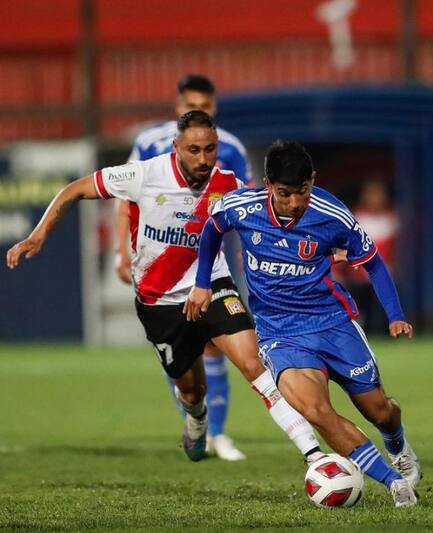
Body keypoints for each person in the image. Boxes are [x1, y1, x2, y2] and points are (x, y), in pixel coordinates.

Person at [7, 111, 322, 466]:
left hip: (211, 285)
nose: (203, 159)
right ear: (176, 147)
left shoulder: (228, 184)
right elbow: (74, 189)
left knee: (254, 364)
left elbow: (271, 218)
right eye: (194, 150)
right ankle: (198, 416)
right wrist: (38, 235)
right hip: (159, 302)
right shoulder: (144, 175)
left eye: (210, 150)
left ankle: (313, 454)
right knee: (191, 389)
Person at [184, 140, 421, 507]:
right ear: (267, 184)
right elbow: (212, 229)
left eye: (302, 192)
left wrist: (396, 316)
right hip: (280, 333)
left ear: (313, 180)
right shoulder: (241, 206)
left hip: (332, 323)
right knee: (315, 410)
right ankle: (395, 485)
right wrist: (202, 283)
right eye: (284, 194)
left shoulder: (332, 214)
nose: (294, 202)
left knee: (379, 411)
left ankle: (397, 444)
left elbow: (372, 261)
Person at [117, 74, 251, 460]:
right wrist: (121, 252)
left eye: (206, 105)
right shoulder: (150, 144)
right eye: (192, 103)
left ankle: (219, 434)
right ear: (177, 106)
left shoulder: (231, 148)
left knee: (217, 343)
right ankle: (195, 422)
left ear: (215, 107)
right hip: (164, 260)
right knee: (183, 352)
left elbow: (248, 203)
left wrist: (247, 250)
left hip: (213, 257)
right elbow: (123, 195)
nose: (199, 110)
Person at [335, 180, 399, 334]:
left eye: (379, 194)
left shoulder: (392, 219)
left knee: (379, 320)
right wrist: (338, 271)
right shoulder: (355, 218)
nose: (375, 198)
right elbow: (343, 247)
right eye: (372, 194)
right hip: (356, 278)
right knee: (358, 316)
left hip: (383, 277)